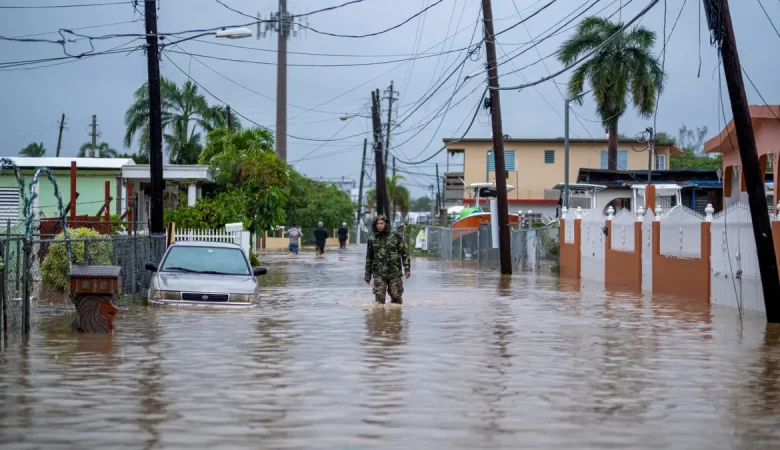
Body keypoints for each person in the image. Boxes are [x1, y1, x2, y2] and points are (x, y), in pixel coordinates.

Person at [364, 214, 411, 304]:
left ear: (386, 224)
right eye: (377, 223)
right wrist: (367, 275)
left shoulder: (396, 236)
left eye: (381, 223)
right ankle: (379, 317)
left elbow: (404, 253)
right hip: (379, 273)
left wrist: (407, 268)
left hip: (394, 272)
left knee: (396, 297)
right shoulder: (372, 239)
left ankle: (396, 316)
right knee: (379, 299)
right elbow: (369, 258)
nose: (379, 225)